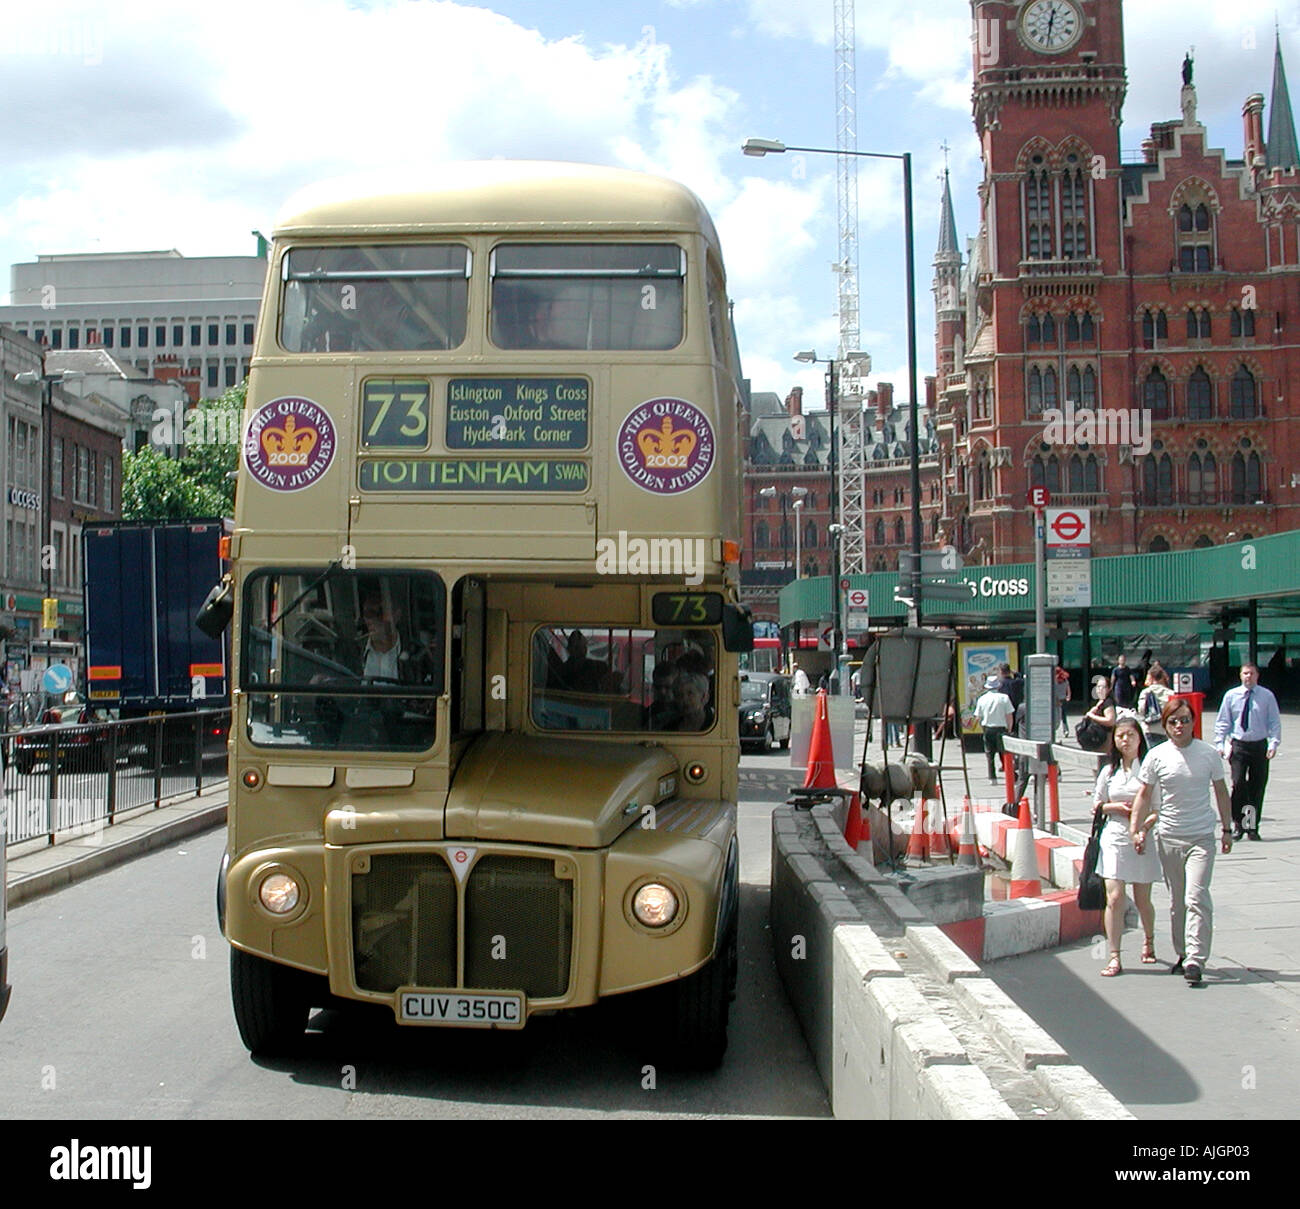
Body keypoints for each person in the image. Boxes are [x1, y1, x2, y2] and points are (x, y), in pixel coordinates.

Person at [1131, 698, 1234, 985]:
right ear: (1165, 725)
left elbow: (1221, 792)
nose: (1180, 726)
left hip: (1201, 835)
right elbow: (1143, 794)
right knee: (1177, 900)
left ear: (1193, 723)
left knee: (1196, 896)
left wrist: (1227, 829)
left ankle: (1195, 959)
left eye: (1185, 720)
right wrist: (1137, 829)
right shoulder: (1157, 756)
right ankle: (1182, 951)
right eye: (1173, 721)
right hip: (1169, 836)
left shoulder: (1208, 754)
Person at [1094, 714, 1162, 976]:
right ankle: (1114, 955)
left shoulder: (1148, 770)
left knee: (1143, 899)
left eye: (1130, 735)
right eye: (1120, 735)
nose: (1125, 740)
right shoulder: (1108, 771)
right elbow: (1097, 806)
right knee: (1114, 897)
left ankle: (1149, 939)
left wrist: (1143, 828)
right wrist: (1116, 807)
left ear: (1139, 738)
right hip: (1114, 836)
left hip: (1141, 839)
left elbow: (1157, 809)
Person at [1213, 662, 1281, 840]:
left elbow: (1274, 721)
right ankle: (1238, 823)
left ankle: (1251, 826)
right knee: (1238, 784)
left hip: (1259, 746)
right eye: (1245, 673)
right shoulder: (1231, 696)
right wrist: (1220, 743)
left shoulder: (1266, 696)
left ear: (1257, 676)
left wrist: (1273, 744)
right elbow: (1223, 721)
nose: (1248, 676)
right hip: (1239, 745)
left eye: (1251, 673)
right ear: (1240, 675)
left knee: (1257, 787)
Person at [974, 675, 1014, 783]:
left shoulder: (982, 699)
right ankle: (1010, 775)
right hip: (1001, 728)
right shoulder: (1004, 698)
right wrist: (1009, 729)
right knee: (1004, 753)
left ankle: (992, 777)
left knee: (990, 754)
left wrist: (982, 728)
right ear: (998, 686)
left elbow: (978, 717)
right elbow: (1009, 715)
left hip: (988, 728)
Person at [1136, 666, 1173, 748]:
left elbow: (1141, 710)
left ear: (1151, 677)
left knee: (1153, 754)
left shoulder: (1146, 692)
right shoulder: (1170, 693)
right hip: (1165, 729)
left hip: (1150, 728)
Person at [1082, 675, 1117, 742]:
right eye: (1098, 686)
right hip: (1098, 737)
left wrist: (1092, 716)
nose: (1100, 689)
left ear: (1109, 689)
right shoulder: (1100, 701)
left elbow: (1110, 721)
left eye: (1103, 687)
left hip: (1106, 738)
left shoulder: (1108, 702)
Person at [1053, 665, 1072, 740]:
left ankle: (1054, 730)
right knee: (1064, 716)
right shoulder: (1065, 680)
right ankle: (1066, 730)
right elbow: (1068, 689)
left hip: (1056, 700)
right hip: (1063, 699)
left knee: (1056, 715)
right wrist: (1068, 696)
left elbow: (1054, 691)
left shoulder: (1054, 681)